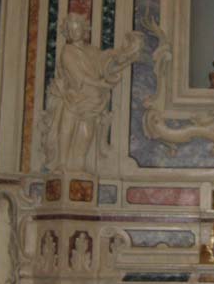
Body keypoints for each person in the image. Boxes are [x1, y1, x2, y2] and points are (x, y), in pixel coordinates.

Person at [44, 14, 142, 173]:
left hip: (93, 98)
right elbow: (79, 76)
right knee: (67, 128)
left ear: (84, 29)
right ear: (67, 32)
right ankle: (62, 163)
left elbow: (105, 67)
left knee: (87, 132)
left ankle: (79, 165)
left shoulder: (92, 51)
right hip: (73, 96)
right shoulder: (67, 51)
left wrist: (126, 60)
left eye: (77, 29)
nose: (74, 33)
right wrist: (100, 84)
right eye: (71, 30)